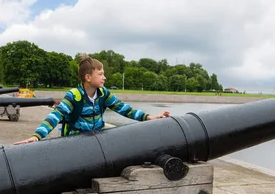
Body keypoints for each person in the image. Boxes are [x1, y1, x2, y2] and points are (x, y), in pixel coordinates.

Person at [14, 54, 170, 145]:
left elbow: (124, 109)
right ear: (88, 77)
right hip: (74, 140)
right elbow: (55, 116)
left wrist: (149, 118)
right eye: (100, 74)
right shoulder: (74, 95)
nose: (104, 77)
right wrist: (37, 136)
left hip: (96, 138)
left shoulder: (103, 93)